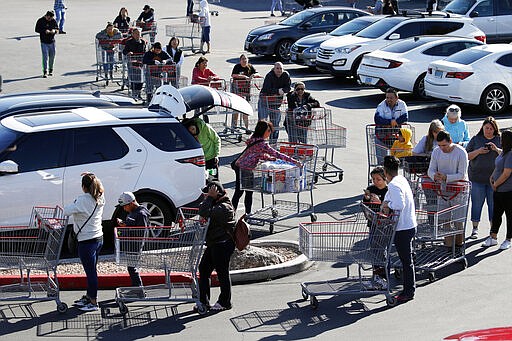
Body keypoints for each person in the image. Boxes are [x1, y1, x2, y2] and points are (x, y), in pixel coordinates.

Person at [232, 120, 300, 215]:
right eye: (268, 130)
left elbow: (255, 153)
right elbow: (277, 154)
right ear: (263, 130)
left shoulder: (253, 138)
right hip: (246, 168)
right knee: (247, 192)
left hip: (239, 166)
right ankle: (247, 214)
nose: (269, 133)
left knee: (239, 192)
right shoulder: (262, 144)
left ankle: (232, 213)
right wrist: (294, 162)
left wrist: (267, 157)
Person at [63, 173, 105, 312]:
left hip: (86, 241)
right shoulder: (100, 197)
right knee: (92, 270)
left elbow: (66, 211)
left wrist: (75, 202)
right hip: (98, 238)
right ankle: (89, 296)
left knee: (91, 272)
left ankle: (93, 302)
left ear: (83, 187)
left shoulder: (82, 200)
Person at [381, 155, 417, 303]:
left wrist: (386, 206)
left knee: (406, 261)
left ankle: (409, 290)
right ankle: (409, 288)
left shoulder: (394, 184)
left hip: (403, 228)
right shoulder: (401, 179)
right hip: (408, 224)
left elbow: (399, 205)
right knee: (406, 260)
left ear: (385, 171)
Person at [196, 181, 236, 312]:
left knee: (222, 273)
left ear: (216, 193)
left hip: (223, 244)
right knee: (203, 269)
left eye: (208, 192)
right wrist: (209, 198)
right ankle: (203, 301)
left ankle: (225, 302)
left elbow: (203, 211)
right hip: (214, 243)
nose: (205, 195)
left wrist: (209, 198)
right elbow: (202, 209)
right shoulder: (216, 203)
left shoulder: (224, 207)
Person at [427, 130, 469, 247]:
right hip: (443, 190)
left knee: (458, 222)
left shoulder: (461, 152)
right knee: (445, 221)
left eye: (444, 145)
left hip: (459, 191)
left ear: (450, 141)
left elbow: (462, 174)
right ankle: (449, 247)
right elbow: (430, 170)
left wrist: (446, 177)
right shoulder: (436, 152)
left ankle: (459, 247)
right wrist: (434, 176)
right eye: (439, 145)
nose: (442, 148)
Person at [466, 117, 501, 240]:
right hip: (477, 178)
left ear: (495, 129)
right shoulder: (476, 139)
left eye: (491, 129)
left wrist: (496, 149)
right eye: (487, 128)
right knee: (476, 204)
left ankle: (493, 230)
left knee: (493, 205)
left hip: (495, 180)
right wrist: (479, 151)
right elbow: (466, 156)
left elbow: (507, 155)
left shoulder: (499, 139)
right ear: (483, 128)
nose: (489, 131)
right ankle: (475, 228)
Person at [482, 130, 512, 250]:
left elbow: (506, 173)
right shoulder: (503, 152)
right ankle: (493, 237)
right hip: (498, 191)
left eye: (501, 138)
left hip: (508, 191)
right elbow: (498, 166)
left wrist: (496, 184)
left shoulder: (510, 154)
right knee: (496, 215)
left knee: (509, 216)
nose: (499, 140)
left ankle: (508, 239)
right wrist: (492, 177)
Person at [116, 191, 150, 288]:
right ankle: (136, 287)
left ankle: (139, 288)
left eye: (125, 206)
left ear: (131, 203)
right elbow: (132, 225)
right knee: (131, 267)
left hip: (135, 246)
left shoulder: (141, 214)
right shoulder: (133, 212)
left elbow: (141, 232)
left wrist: (126, 226)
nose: (124, 208)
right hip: (130, 245)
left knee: (132, 268)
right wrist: (125, 224)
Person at [363, 166, 389, 288]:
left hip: (384, 225)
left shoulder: (388, 191)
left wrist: (379, 203)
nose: (375, 182)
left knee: (379, 250)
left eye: (378, 179)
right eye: (373, 179)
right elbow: (365, 205)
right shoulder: (371, 189)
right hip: (373, 223)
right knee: (374, 249)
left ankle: (383, 277)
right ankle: (376, 276)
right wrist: (367, 198)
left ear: (385, 179)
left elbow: (388, 209)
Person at [258, 62, 291, 144]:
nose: (279, 70)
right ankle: (259, 143)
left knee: (275, 124)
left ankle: (273, 143)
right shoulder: (269, 76)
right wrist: (277, 91)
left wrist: (283, 90)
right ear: (274, 69)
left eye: (281, 69)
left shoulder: (286, 75)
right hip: (264, 102)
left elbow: (288, 87)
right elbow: (266, 89)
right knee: (263, 123)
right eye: (277, 68)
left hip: (276, 103)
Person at [231, 54, 259, 133]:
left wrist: (253, 75)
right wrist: (244, 77)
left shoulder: (250, 67)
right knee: (236, 110)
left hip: (246, 91)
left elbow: (257, 73)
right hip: (237, 91)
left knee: (245, 110)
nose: (244, 61)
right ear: (240, 60)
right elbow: (233, 75)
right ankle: (234, 126)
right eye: (243, 59)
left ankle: (247, 127)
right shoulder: (237, 67)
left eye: (246, 59)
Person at [122, 27, 147, 100]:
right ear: (132, 34)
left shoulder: (142, 42)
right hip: (132, 63)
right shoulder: (129, 42)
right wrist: (128, 53)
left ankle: (138, 93)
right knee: (133, 78)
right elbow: (124, 51)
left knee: (140, 79)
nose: (137, 35)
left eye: (138, 34)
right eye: (136, 33)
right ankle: (134, 93)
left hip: (140, 63)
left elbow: (145, 50)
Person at [35, 11, 59, 78]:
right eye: (49, 18)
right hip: (44, 42)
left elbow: (57, 29)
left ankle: (51, 70)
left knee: (52, 56)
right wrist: (44, 31)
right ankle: (45, 71)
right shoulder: (40, 20)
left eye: (51, 18)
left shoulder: (53, 21)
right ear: (46, 16)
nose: (50, 19)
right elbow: (36, 29)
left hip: (52, 41)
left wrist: (54, 31)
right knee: (45, 57)